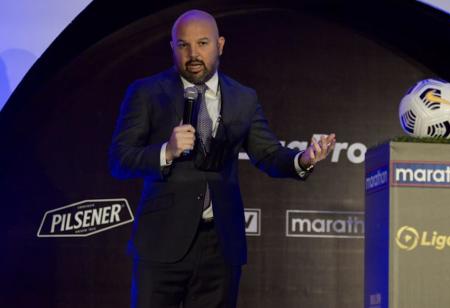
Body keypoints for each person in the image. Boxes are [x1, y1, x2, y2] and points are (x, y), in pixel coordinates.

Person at [109, 9, 336, 308]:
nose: (193, 54)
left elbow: (267, 153)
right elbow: (120, 159)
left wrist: (303, 159)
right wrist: (166, 151)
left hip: (220, 245)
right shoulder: (147, 92)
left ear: (221, 45)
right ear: (172, 48)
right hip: (160, 243)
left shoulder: (244, 98)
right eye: (183, 45)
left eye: (202, 43)